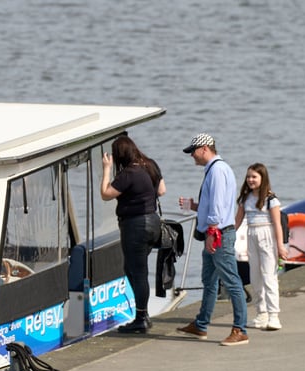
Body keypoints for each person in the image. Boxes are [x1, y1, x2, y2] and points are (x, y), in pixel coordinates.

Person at [176, 133, 249, 346]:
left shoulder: (216, 171)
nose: (192, 156)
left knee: (232, 281)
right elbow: (217, 204)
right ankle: (201, 324)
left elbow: (217, 207)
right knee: (209, 281)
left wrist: (211, 233)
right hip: (218, 232)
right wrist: (194, 206)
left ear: (205, 148)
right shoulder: (218, 169)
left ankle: (240, 329)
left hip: (218, 234)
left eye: (193, 151)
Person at [100, 135, 166, 333]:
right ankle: (142, 314)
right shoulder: (150, 164)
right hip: (152, 222)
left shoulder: (128, 173)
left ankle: (141, 318)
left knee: (137, 272)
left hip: (135, 226)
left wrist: (106, 169)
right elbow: (162, 190)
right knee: (133, 269)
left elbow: (105, 194)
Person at [235, 163, 287, 330]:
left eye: (254, 177)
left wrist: (280, 246)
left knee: (269, 275)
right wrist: (228, 236)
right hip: (251, 234)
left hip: (267, 235)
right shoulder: (245, 198)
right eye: (248, 176)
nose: (250, 180)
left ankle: (274, 315)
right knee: (255, 275)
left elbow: (277, 224)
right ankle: (261, 313)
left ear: (262, 178)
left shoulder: (271, 199)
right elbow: (237, 221)